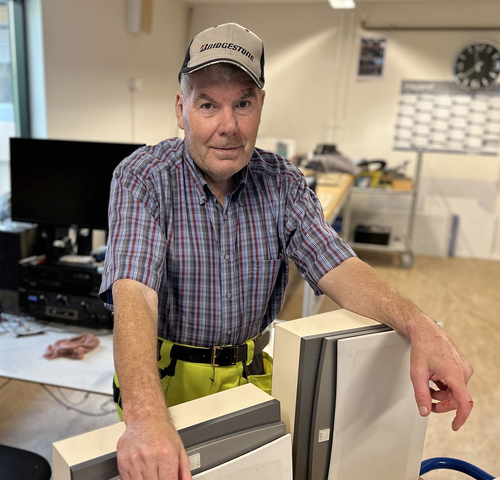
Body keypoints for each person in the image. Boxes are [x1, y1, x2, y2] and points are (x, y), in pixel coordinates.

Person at [99, 23, 473, 480]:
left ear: (260, 106)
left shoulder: (283, 182)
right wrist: (144, 415)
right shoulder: (142, 178)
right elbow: (134, 293)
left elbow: (338, 264)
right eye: (207, 105)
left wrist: (420, 325)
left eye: (242, 104)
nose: (227, 126)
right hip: (164, 378)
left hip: (252, 373)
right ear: (181, 109)